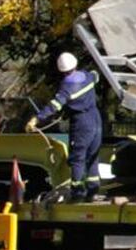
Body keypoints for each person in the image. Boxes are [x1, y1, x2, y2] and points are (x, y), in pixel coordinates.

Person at [32, 51, 105, 200]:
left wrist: (36, 119)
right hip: (95, 118)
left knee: (78, 157)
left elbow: (54, 106)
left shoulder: (67, 86)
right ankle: (93, 190)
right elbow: (96, 75)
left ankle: (77, 192)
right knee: (92, 155)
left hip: (81, 122)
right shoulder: (87, 77)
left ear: (62, 70)